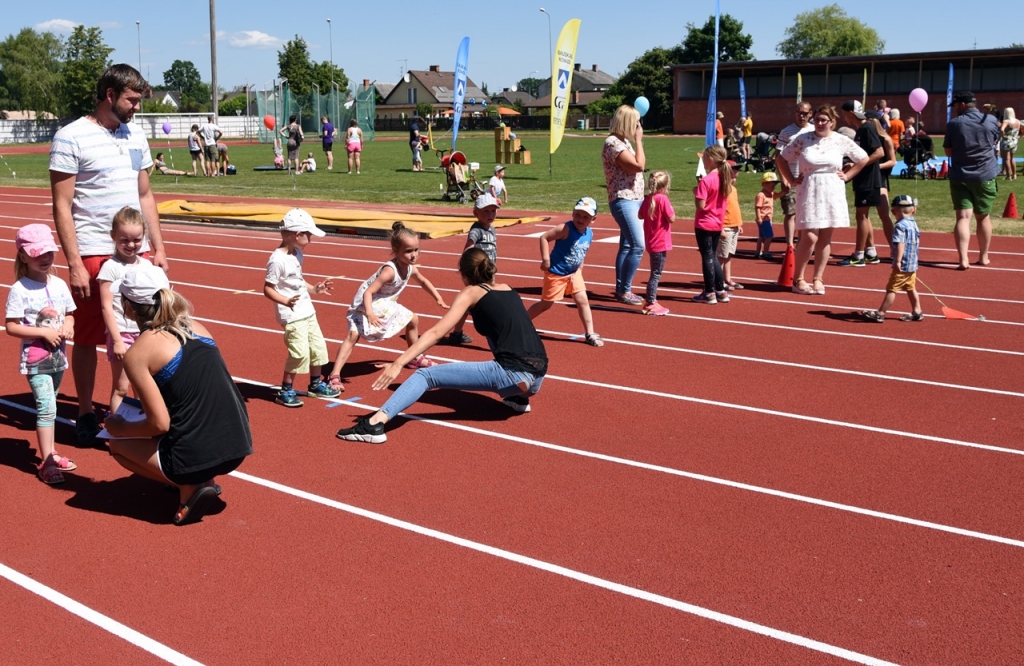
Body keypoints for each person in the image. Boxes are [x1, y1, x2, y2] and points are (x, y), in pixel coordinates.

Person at [49, 63, 169, 445]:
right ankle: (86, 411)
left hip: (137, 255)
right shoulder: (72, 137)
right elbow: (62, 204)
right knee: (87, 337)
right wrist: (73, 263)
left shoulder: (136, 137)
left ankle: (137, 408)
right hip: (93, 253)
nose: (137, 108)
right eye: (133, 100)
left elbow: (145, 195)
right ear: (110, 95)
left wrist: (158, 249)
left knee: (144, 334)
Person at [335, 248, 547, 443]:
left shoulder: (471, 292)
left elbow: (436, 333)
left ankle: (373, 425)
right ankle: (518, 399)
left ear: (463, 274)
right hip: (538, 376)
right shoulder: (508, 289)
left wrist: (399, 362)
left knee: (425, 376)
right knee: (502, 340)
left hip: (513, 374)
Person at [103, 263, 253, 526]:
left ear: (128, 306)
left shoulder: (138, 353)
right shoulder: (197, 326)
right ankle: (206, 480)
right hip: (238, 443)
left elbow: (160, 424)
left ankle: (189, 489)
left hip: (196, 455)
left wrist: (120, 427)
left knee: (117, 446)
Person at [326, 221, 449, 391]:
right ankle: (335, 374)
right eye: (408, 251)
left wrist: (438, 297)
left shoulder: (410, 268)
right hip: (364, 304)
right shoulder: (389, 271)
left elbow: (422, 281)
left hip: (384, 303)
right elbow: (368, 292)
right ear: (395, 251)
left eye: (416, 250)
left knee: (413, 320)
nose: (413, 255)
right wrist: (369, 313)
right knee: (353, 336)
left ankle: (415, 357)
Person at [5, 224, 77, 484]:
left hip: (58, 359)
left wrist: (68, 326)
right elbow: (11, 326)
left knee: (52, 406)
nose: (45, 259)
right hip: (36, 361)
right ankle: (46, 463)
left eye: (48, 253)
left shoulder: (58, 284)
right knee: (46, 409)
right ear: (23, 256)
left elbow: (69, 314)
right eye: (38, 254)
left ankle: (50, 451)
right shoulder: (20, 290)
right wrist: (43, 333)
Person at [777, 105, 870, 296]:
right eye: (817, 119)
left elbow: (863, 158)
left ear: (832, 122)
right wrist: (791, 179)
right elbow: (781, 158)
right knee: (809, 236)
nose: (819, 123)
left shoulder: (840, 140)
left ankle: (818, 278)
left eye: (823, 120)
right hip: (809, 188)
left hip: (832, 189)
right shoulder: (803, 139)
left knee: (826, 236)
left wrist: (848, 175)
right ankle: (798, 279)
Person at [262, 208, 340, 408]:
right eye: (309, 235)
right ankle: (285, 389)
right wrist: (285, 301)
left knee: (318, 348)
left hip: (308, 310)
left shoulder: (297, 253)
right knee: (299, 353)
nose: (311, 239)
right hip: (292, 314)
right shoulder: (277, 260)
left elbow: (298, 280)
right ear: (297, 235)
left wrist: (315, 289)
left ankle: (315, 385)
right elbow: (268, 289)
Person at [526, 197, 603, 346]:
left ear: (593, 219)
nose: (581, 219)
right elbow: (544, 237)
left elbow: (582, 251)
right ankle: (522, 323)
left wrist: (580, 265)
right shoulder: (565, 229)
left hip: (574, 274)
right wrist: (545, 259)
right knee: (545, 304)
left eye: (586, 216)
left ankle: (590, 333)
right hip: (556, 273)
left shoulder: (589, 233)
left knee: (583, 301)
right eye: (578, 214)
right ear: (573, 213)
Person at [97, 207, 151, 415]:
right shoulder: (111, 267)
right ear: (113, 237)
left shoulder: (146, 265)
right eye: (124, 240)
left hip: (144, 335)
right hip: (122, 334)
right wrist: (117, 340)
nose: (131, 245)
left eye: (136, 240)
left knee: (144, 387)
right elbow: (106, 306)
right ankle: (116, 432)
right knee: (122, 386)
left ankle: (143, 429)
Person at [944, 90, 1001, 269]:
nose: (953, 109)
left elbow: (948, 151)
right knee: (983, 217)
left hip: (961, 174)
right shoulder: (990, 120)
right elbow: (995, 141)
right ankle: (983, 257)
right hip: (985, 174)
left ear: (962, 105)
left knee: (963, 217)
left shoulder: (954, 124)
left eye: (954, 106)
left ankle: (963, 259)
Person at [602, 105, 646, 306]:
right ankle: (625, 290)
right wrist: (639, 140)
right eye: (636, 122)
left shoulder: (623, 142)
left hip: (634, 199)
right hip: (623, 199)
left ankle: (621, 289)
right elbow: (638, 166)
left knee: (627, 245)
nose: (638, 125)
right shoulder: (613, 143)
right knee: (638, 245)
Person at [837, 101, 889, 267]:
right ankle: (871, 252)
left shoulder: (866, 128)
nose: (844, 117)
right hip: (863, 178)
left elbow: (879, 152)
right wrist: (854, 164)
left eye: (844, 114)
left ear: (851, 112)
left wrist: (860, 163)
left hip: (868, 179)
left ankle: (858, 255)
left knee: (861, 216)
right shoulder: (861, 130)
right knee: (862, 216)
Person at [443, 194, 498, 345]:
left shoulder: (492, 229)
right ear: (476, 213)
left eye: (493, 211)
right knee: (483, 302)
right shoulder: (477, 230)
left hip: (489, 272)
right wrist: (465, 266)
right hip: (477, 273)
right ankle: (493, 333)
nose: (490, 214)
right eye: (486, 211)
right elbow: (469, 246)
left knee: (471, 304)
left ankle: (457, 333)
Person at [860, 195, 923, 323]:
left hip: (903, 264)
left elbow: (901, 243)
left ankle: (881, 313)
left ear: (894, 211)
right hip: (912, 264)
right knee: (911, 288)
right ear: (914, 210)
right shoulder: (914, 224)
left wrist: (898, 260)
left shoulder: (900, 226)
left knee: (892, 289)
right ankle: (917, 310)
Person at [691, 146, 731, 304]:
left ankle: (709, 292)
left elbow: (701, 205)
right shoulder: (724, 178)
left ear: (712, 159)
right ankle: (720, 290)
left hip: (705, 223)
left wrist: (696, 192)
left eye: (705, 158)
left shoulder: (706, 180)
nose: (704, 161)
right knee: (713, 256)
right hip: (717, 223)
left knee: (707, 257)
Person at [775, 102, 815, 248]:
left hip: (809, 179)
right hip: (791, 177)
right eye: (799, 113)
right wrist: (784, 178)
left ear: (810, 114)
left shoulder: (814, 130)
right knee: (791, 212)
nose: (801, 116)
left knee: (806, 214)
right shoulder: (786, 132)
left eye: (804, 113)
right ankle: (790, 245)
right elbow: (778, 157)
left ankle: (802, 244)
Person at [637, 171, 675, 316]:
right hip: (660, 242)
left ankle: (652, 300)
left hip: (651, 241)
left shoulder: (648, 199)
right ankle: (650, 302)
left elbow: (640, 215)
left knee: (655, 272)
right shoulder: (662, 199)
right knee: (656, 274)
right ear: (665, 186)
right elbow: (671, 218)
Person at [718, 166, 743, 291]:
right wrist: (720, 227)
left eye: (735, 177)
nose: (734, 179)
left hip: (734, 226)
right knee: (721, 255)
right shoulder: (722, 190)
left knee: (728, 254)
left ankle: (727, 278)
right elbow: (719, 209)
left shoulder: (734, 189)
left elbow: (734, 207)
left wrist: (738, 224)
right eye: (732, 176)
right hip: (726, 226)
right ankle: (718, 281)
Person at [754, 172, 786, 259]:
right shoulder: (761, 195)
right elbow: (757, 207)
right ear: (764, 184)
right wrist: (758, 217)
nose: (774, 187)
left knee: (761, 237)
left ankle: (758, 252)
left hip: (767, 218)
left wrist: (784, 191)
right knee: (769, 236)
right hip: (764, 218)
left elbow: (778, 195)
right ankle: (766, 252)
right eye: (772, 186)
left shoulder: (771, 194)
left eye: (774, 186)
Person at [999, 107, 1020, 180]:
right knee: (1012, 158)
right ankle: (1014, 175)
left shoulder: (1006, 121)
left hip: (1007, 141)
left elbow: (1002, 129)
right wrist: (1020, 135)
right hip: (1014, 141)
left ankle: (1008, 176)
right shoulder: (1017, 121)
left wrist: (1003, 136)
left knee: (1006, 159)